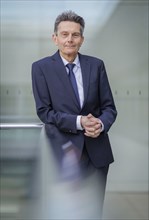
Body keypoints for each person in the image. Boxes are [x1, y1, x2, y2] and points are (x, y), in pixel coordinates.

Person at [31, 10, 117, 219]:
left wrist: (100, 124)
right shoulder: (41, 68)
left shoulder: (96, 66)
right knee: (64, 212)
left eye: (75, 35)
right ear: (55, 38)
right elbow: (45, 112)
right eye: (65, 34)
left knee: (93, 211)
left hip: (96, 153)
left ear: (82, 39)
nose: (70, 39)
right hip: (63, 152)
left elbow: (109, 108)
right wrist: (80, 122)